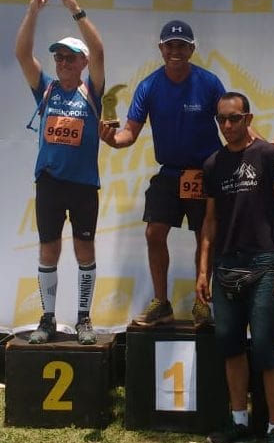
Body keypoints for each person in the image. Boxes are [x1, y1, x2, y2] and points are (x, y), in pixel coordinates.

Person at [100, 20, 259, 328]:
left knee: (206, 238)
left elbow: (234, 119)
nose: (176, 51)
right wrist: (111, 140)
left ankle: (202, 304)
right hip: (169, 173)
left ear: (192, 49)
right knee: (154, 233)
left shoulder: (208, 82)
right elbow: (129, 133)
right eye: (170, 45)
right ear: (161, 48)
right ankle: (162, 303)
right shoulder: (148, 86)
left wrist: (262, 144)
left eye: (182, 46)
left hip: (206, 173)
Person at [196, 92, 274, 443]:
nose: (227, 125)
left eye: (234, 118)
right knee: (232, 349)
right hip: (225, 268)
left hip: (264, 264)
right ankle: (239, 422)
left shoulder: (270, 155)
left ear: (248, 118)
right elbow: (210, 223)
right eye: (221, 119)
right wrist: (203, 270)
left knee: (267, 350)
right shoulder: (212, 164)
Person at [15, 0, 105, 345]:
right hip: (50, 182)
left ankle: (84, 319)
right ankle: (48, 318)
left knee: (85, 250)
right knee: (48, 249)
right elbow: (23, 55)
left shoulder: (91, 90)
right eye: (59, 58)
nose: (63, 62)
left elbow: (99, 50)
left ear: (83, 63)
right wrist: (33, 11)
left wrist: (75, 9)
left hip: (83, 184)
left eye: (70, 57)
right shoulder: (47, 88)